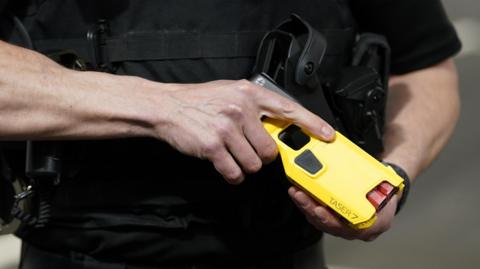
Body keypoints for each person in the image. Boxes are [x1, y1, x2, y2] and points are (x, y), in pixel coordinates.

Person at [0, 0, 461, 268]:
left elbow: (425, 71)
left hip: (284, 253)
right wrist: (158, 106)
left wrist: (391, 178)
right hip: (79, 254)